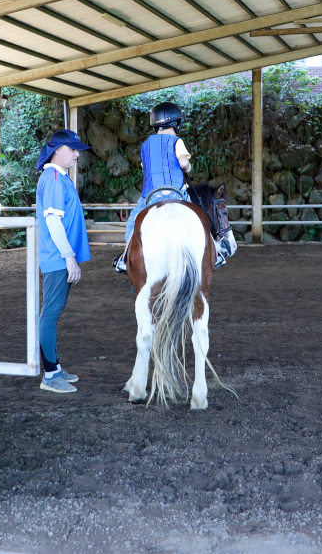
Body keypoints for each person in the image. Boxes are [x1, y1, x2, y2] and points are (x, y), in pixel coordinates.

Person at [113, 101, 202, 273]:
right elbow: (183, 163)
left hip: (150, 195)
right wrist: (188, 167)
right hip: (176, 192)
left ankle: (126, 258)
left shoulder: (145, 145)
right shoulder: (176, 140)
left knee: (132, 222)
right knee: (198, 217)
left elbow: (146, 168)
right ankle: (212, 253)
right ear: (175, 123)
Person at [35, 128, 92, 394]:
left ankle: (54, 368)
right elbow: (53, 220)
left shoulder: (59, 178)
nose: (77, 155)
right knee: (50, 314)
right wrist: (69, 257)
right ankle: (49, 375)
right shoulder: (54, 179)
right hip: (57, 257)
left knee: (52, 313)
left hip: (58, 257)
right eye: (72, 150)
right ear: (58, 150)